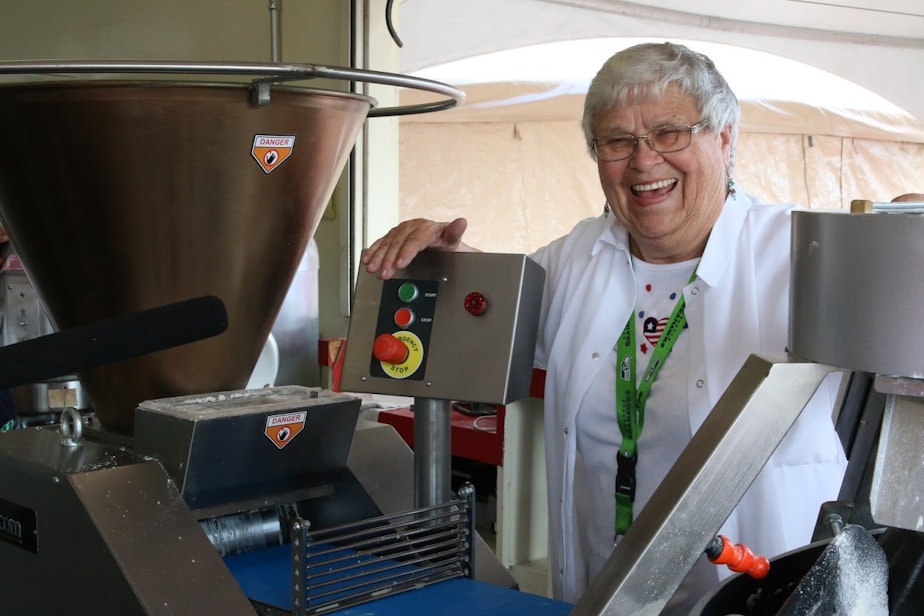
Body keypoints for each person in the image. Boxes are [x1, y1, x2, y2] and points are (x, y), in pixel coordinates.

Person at [362, 42, 849, 612]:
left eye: (670, 133)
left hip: (754, 591)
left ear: (723, 137)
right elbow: (494, 309)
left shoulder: (804, 254)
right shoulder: (576, 257)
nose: (643, 162)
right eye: (618, 142)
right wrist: (448, 258)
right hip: (602, 592)